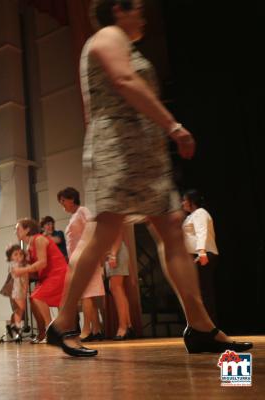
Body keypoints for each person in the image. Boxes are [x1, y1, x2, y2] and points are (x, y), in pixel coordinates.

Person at [46, 0, 252, 357]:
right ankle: (63, 321)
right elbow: (124, 80)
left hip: (144, 154)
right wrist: (172, 125)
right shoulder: (107, 35)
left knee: (172, 228)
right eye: (136, 7)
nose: (143, 13)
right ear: (117, 10)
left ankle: (201, 326)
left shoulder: (126, 43)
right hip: (118, 150)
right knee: (103, 232)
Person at [58, 188, 105, 342]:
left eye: (63, 200)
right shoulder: (75, 215)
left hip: (86, 258)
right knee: (88, 294)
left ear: (71, 199)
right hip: (79, 260)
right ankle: (96, 329)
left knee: (87, 294)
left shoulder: (82, 211)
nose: (62, 204)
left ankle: (86, 330)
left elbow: (93, 227)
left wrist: (89, 251)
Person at [12, 218, 68, 343]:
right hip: (48, 275)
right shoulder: (30, 246)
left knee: (37, 297)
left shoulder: (39, 239)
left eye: (18, 229)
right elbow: (34, 271)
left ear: (27, 230)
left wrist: (23, 270)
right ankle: (52, 331)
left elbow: (42, 263)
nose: (16, 232)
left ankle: (52, 330)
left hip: (57, 273)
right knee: (35, 298)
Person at [182, 189, 219, 323]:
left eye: (185, 200)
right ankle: (202, 325)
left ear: (192, 201)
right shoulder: (191, 216)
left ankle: (210, 325)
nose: (183, 203)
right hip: (197, 255)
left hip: (203, 254)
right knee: (198, 292)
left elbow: (201, 231)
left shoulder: (200, 213)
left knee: (205, 292)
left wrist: (202, 252)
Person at [105, 229, 133, 340]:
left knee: (116, 288)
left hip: (115, 252)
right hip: (114, 252)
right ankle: (128, 325)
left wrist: (113, 255)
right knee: (118, 289)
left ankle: (123, 328)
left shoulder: (108, 215)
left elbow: (117, 234)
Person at [0, 244, 29, 340]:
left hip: (19, 290)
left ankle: (12, 326)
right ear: (10, 257)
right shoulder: (14, 265)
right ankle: (17, 329)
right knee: (20, 310)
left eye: (21, 254)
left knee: (18, 310)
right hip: (17, 290)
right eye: (15, 254)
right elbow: (20, 274)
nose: (19, 257)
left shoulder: (19, 265)